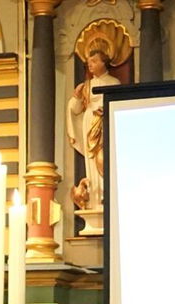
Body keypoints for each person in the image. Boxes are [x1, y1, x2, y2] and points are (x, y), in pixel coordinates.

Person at [67, 48, 122, 212]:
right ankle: (94, 199)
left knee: (104, 158)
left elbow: (119, 104)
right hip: (89, 125)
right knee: (91, 162)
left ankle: (107, 194)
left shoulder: (114, 83)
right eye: (89, 62)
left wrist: (106, 110)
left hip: (106, 125)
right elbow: (75, 110)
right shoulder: (86, 85)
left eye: (94, 61)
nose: (90, 65)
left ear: (104, 62)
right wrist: (76, 97)